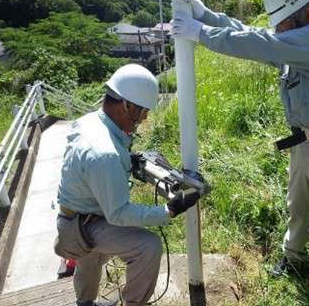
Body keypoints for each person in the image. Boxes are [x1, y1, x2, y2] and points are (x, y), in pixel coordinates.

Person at [170, 0, 309, 305]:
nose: (277, 29)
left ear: (307, 13)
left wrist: (202, 34)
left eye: (282, 23)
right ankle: (294, 259)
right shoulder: (295, 39)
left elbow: (263, 42)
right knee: (298, 208)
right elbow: (253, 34)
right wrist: (205, 15)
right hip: (305, 145)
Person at [54, 64, 200, 306]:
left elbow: (91, 168)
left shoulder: (91, 121)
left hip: (75, 215)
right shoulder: (104, 153)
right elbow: (119, 214)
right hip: (82, 225)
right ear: (126, 105)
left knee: (90, 255)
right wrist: (169, 210)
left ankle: (85, 303)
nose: (145, 118)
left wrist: (126, 160)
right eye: (143, 111)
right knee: (148, 246)